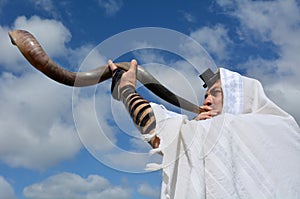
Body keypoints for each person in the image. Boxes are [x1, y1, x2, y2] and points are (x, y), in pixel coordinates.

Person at [108, 59, 300, 199]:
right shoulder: (283, 129)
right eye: (205, 96)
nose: (206, 100)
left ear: (238, 97)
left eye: (216, 93)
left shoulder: (234, 127)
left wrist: (125, 89)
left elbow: (157, 130)